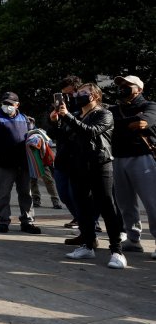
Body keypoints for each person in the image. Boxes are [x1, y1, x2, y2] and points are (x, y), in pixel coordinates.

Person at [52, 82, 127, 268]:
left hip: (100, 164)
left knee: (107, 206)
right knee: (82, 207)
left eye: (83, 93)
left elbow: (91, 132)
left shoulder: (104, 113)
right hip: (78, 166)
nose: (78, 96)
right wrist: (56, 121)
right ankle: (87, 244)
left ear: (93, 96)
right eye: (78, 93)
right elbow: (63, 137)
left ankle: (117, 251)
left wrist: (67, 116)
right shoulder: (76, 115)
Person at [109, 75, 156, 259]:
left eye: (127, 85)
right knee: (124, 202)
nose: (123, 87)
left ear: (139, 89)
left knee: (152, 202)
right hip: (118, 158)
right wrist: (129, 122)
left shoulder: (150, 106)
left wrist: (127, 123)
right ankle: (133, 238)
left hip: (143, 157)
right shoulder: (114, 109)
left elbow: (143, 122)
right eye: (121, 85)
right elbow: (113, 125)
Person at [0, 92, 41, 234]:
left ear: (17, 105)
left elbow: (31, 138)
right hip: (5, 164)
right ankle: (3, 221)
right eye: (5, 103)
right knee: (4, 193)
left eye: (10, 104)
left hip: (23, 163)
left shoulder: (26, 120)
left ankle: (27, 221)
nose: (7, 106)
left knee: (25, 193)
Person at [51, 76, 82, 228]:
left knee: (79, 193)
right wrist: (54, 120)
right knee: (63, 192)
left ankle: (89, 222)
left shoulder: (85, 107)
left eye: (70, 94)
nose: (68, 98)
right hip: (63, 155)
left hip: (80, 156)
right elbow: (53, 134)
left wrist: (68, 115)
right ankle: (78, 216)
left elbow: (84, 130)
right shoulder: (61, 107)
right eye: (65, 94)